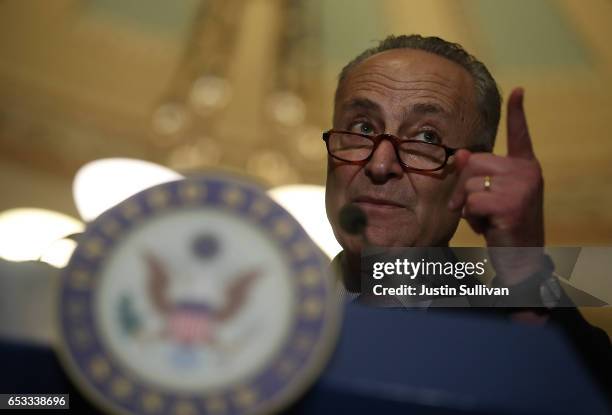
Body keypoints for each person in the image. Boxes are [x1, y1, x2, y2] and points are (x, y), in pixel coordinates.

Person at [323, 34, 611, 397]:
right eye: (362, 128)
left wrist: (524, 274)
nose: (380, 164)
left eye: (427, 137)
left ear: (473, 173)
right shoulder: (264, 303)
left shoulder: (520, 327)